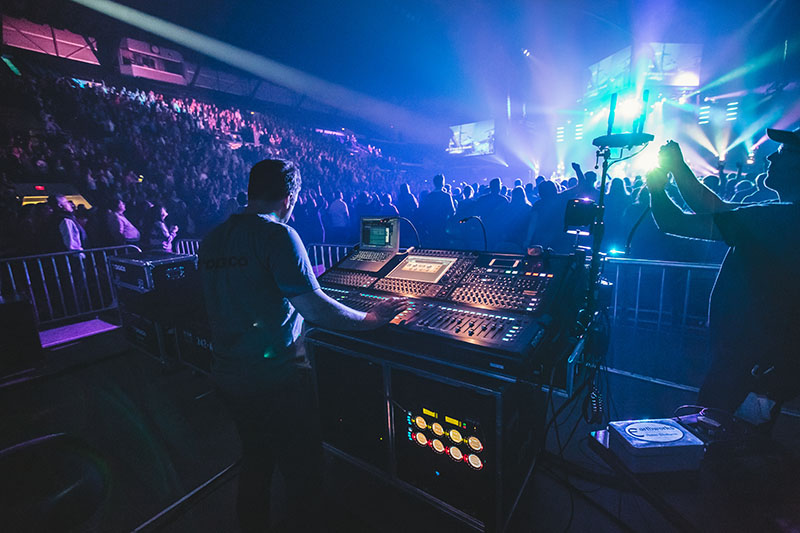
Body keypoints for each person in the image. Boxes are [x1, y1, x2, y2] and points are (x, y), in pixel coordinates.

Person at [199, 159, 406, 532]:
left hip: (228, 375)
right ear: (289, 197)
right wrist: (371, 319)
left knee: (256, 461)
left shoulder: (213, 239)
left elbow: (241, 290)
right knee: (303, 469)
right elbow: (315, 309)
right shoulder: (278, 235)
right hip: (277, 377)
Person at [647, 133, 800, 426]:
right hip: (764, 360)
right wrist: (678, 169)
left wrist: (657, 188)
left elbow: (675, 221)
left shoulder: (780, 220)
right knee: (742, 438)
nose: (771, 157)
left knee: (718, 439)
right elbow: (715, 208)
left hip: (750, 360)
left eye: (782, 152)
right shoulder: (784, 218)